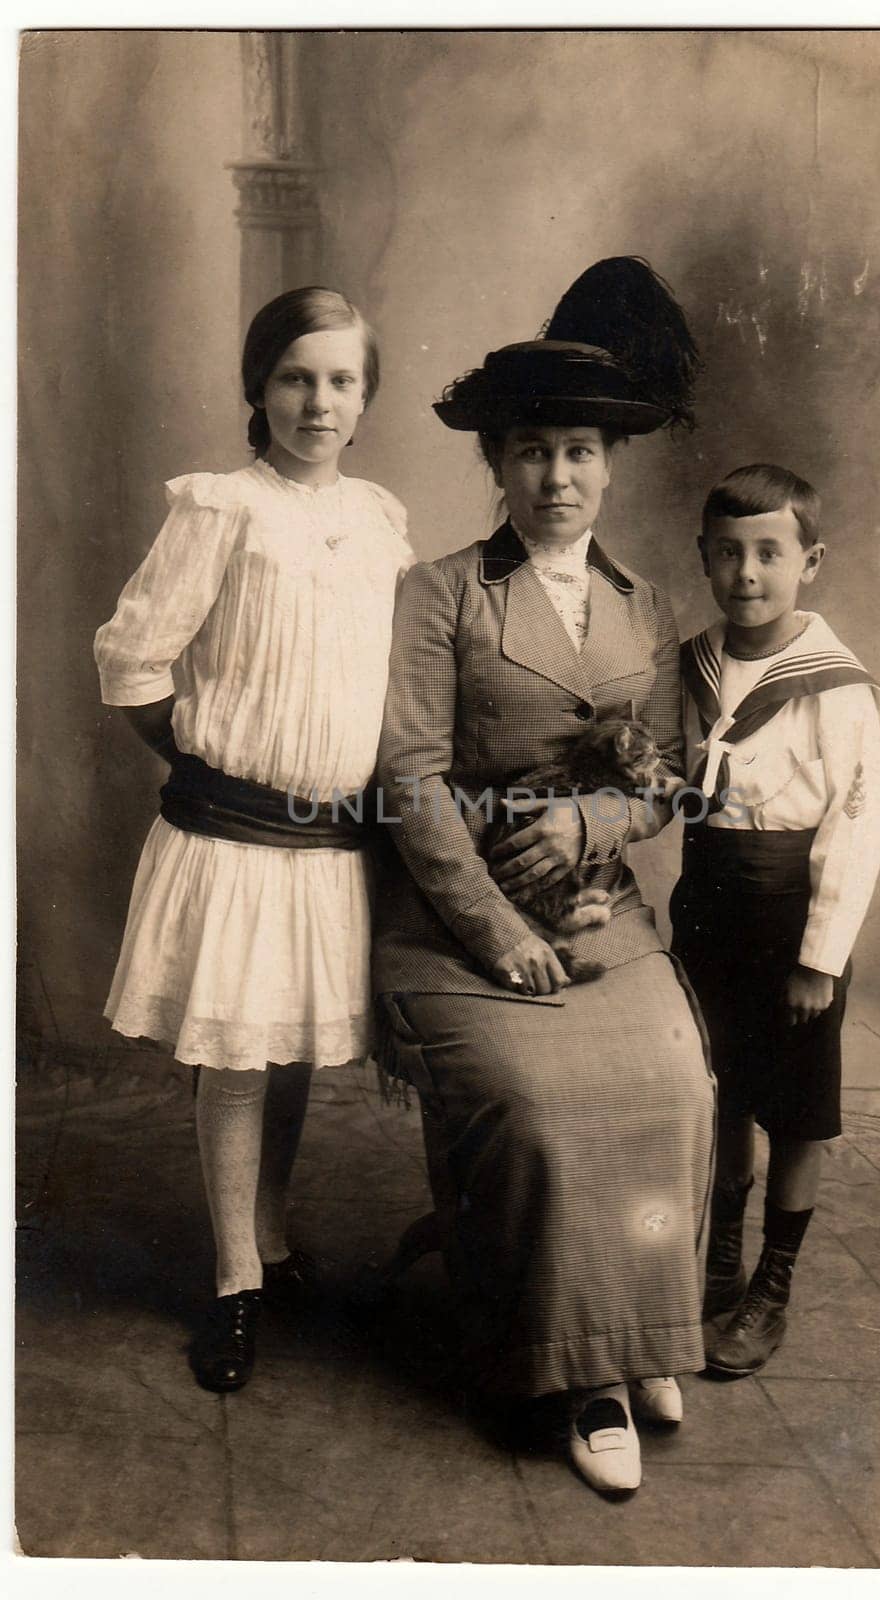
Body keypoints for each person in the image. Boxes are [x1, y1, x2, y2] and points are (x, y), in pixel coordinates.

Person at [374, 258, 715, 1495]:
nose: (556, 478)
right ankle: (583, 1378)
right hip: (455, 928)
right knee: (537, 1107)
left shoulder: (645, 606)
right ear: (496, 466)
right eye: (530, 453)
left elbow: (667, 776)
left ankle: (639, 1333)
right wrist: (489, 932)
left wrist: (585, 833)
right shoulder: (440, 596)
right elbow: (407, 778)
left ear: (610, 465)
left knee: (675, 1081)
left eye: (578, 452)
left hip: (598, 913)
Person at [93, 286, 413, 1392]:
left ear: (365, 399)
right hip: (232, 835)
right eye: (294, 377)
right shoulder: (221, 506)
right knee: (235, 1054)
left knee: (289, 1049)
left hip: (331, 845)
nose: (316, 401)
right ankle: (234, 1281)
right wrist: (204, 768)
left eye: (339, 381)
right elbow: (134, 659)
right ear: (257, 386)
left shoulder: (379, 518)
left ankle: (271, 1239)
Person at [671, 463, 880, 1378]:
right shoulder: (695, 662)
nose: (747, 574)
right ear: (704, 559)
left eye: (770, 553)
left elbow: (856, 817)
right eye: (728, 554)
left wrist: (819, 960)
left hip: (793, 912)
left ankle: (774, 1278)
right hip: (711, 901)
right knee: (721, 1084)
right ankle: (721, 1246)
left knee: (796, 1107)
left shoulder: (832, 683)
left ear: (812, 560)